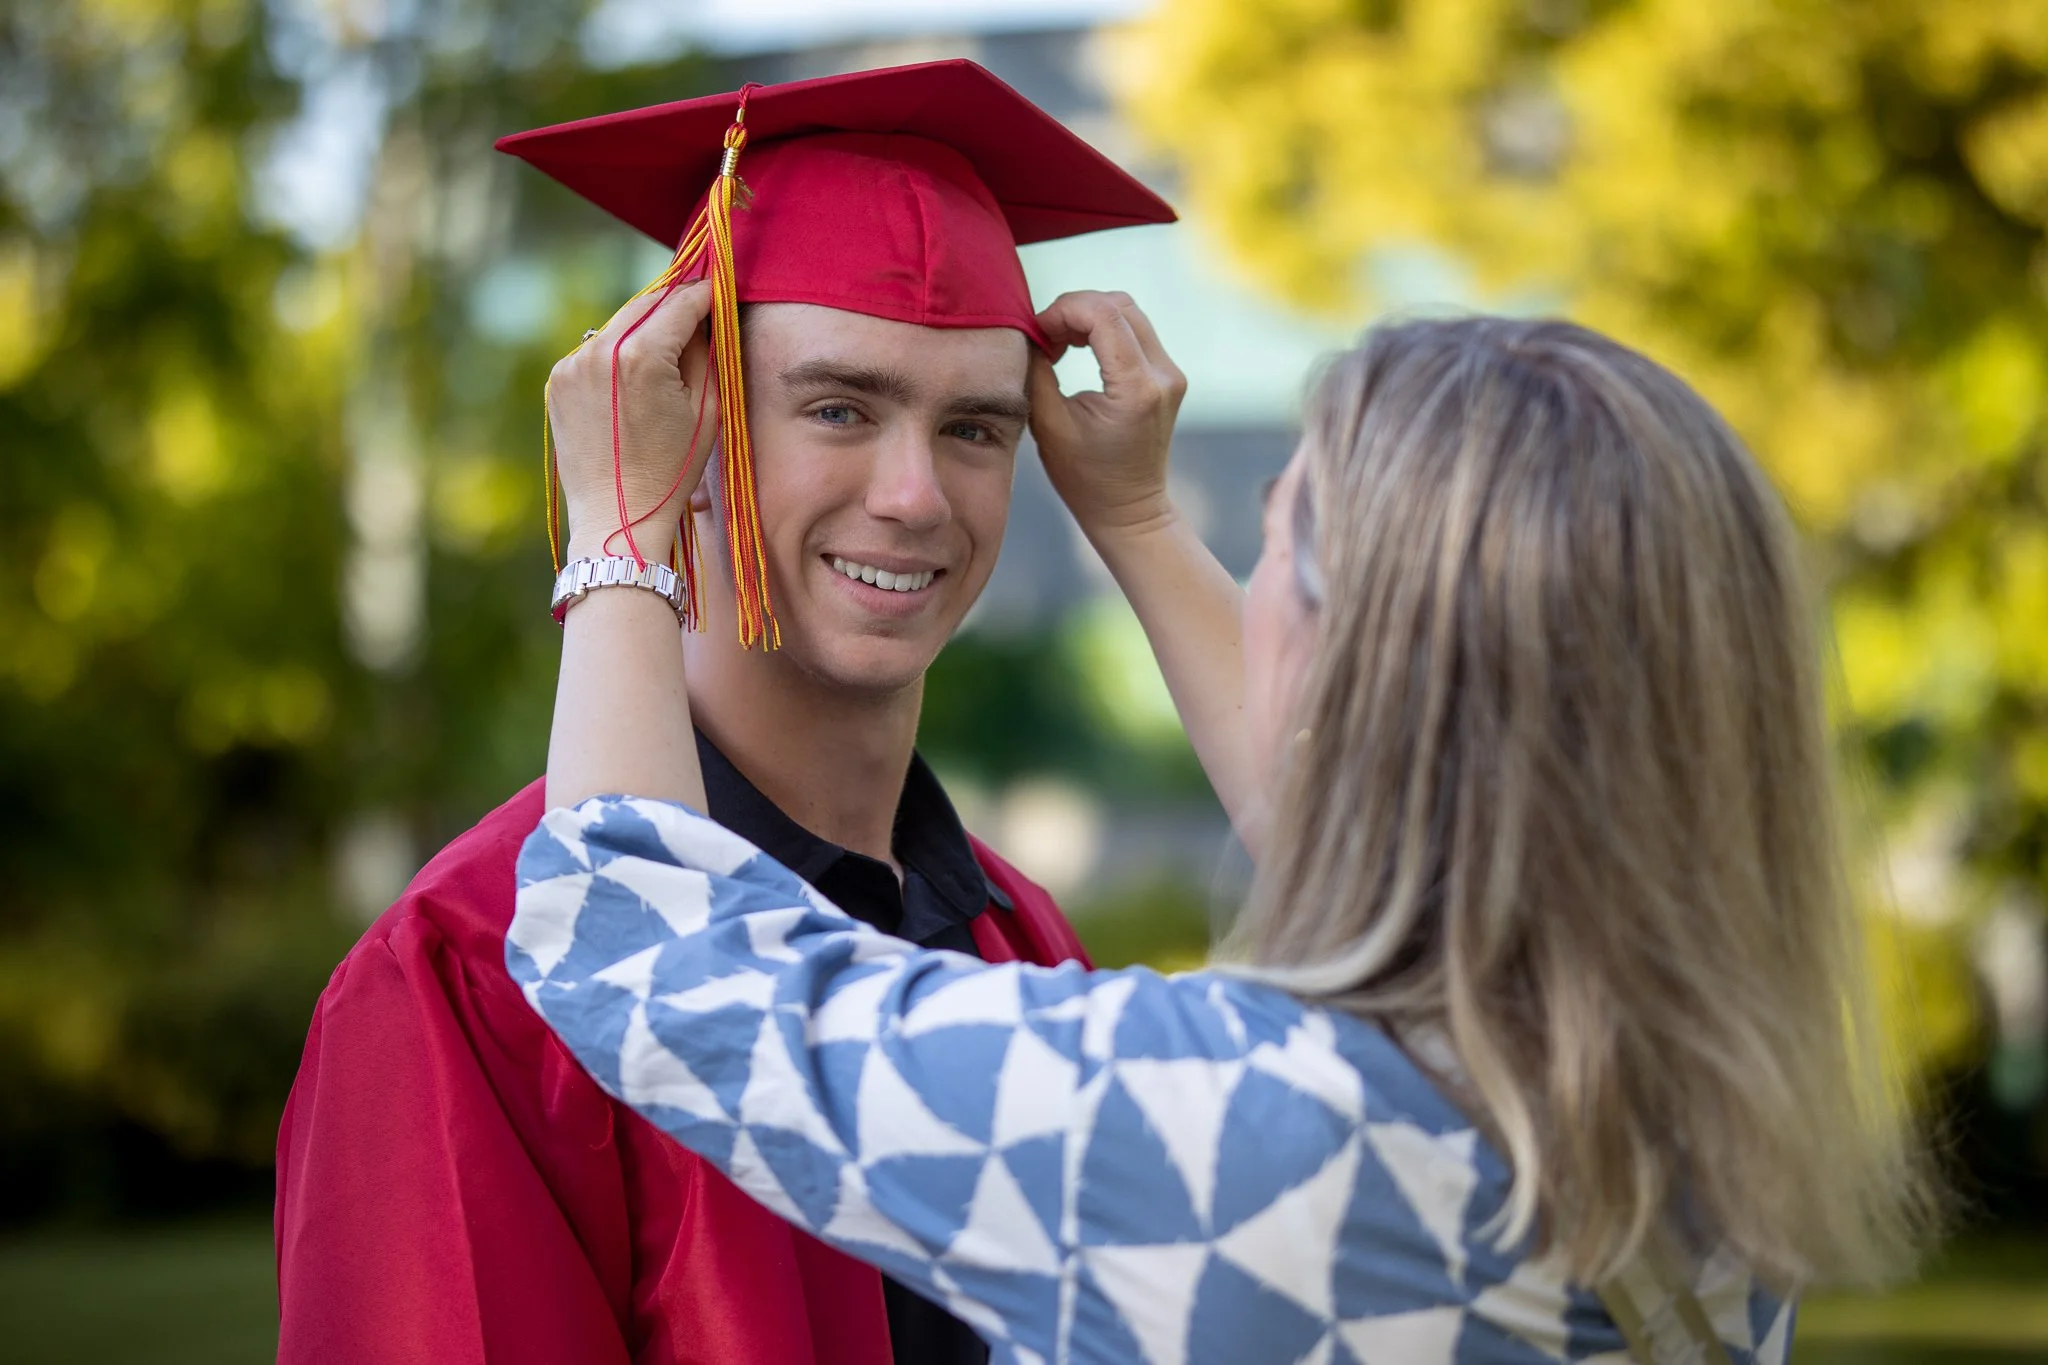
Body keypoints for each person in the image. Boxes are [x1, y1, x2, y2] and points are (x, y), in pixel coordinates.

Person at [512, 290, 1936, 1362]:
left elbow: (638, 945)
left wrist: (621, 523)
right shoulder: (1683, 1143)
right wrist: (1131, 513)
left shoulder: (1230, 1133)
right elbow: (1406, 827)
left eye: (1275, 540)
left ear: (1358, 659)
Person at [275, 62, 1174, 1365]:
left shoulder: (1018, 943)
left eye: (976, 429)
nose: (916, 494)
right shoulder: (467, 975)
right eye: (839, 407)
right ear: (692, 416)